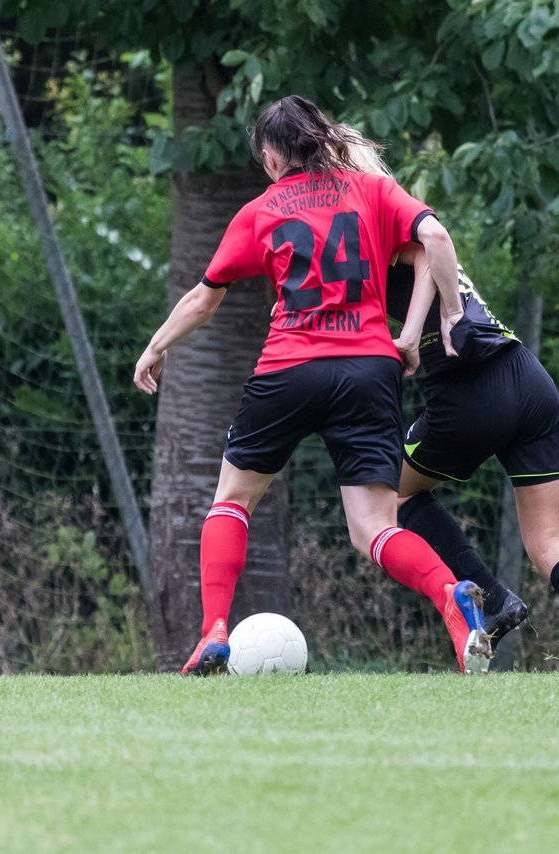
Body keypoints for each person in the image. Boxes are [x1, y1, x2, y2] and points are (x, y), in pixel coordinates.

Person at [133, 95, 492, 676]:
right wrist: (444, 317)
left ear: (272, 156)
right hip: (369, 369)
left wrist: (155, 348)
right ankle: (451, 595)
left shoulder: (261, 209)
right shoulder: (371, 191)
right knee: (375, 528)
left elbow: (205, 298)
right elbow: (437, 240)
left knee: (232, 499)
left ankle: (214, 632)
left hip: (289, 367)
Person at [337, 139, 559, 674]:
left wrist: (411, 336)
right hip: (528, 380)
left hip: (469, 390)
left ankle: (493, 598)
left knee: (394, 498)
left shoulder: (380, 227)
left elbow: (426, 259)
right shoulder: (401, 216)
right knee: (551, 544)